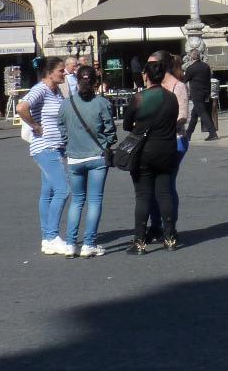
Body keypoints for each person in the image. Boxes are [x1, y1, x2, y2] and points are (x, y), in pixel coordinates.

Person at [56, 64, 115, 257]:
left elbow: (61, 127)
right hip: (97, 155)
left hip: (74, 157)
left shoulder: (66, 104)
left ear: (77, 81)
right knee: (95, 200)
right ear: (96, 82)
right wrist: (107, 142)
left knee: (77, 201)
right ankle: (89, 244)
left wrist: (69, 142)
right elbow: (110, 129)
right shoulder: (102, 103)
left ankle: (71, 243)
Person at [124, 58, 181, 252]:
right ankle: (170, 238)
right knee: (164, 193)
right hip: (167, 150)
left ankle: (139, 242)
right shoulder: (171, 98)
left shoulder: (139, 98)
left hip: (144, 152)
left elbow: (126, 125)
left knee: (143, 196)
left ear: (146, 76)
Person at [17, 57, 71, 255]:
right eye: (61, 70)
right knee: (63, 189)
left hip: (56, 146)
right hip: (45, 147)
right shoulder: (40, 89)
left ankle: (47, 238)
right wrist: (34, 125)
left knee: (48, 192)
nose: (64, 73)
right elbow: (21, 107)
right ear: (49, 73)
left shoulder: (56, 92)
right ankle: (52, 236)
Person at [182, 47, 217, 142]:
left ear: (191, 57)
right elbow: (209, 79)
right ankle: (188, 134)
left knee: (202, 113)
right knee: (194, 114)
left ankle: (212, 132)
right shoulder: (206, 66)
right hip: (205, 92)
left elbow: (184, 80)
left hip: (196, 94)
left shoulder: (190, 68)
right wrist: (208, 93)